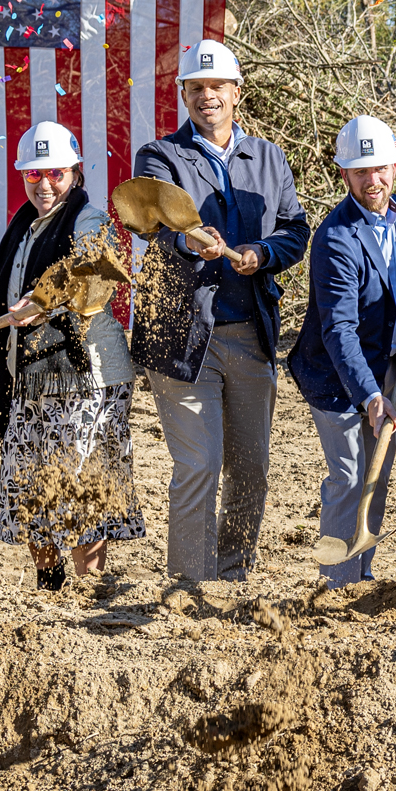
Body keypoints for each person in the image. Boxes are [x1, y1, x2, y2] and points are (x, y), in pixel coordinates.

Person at [131, 38, 311, 582]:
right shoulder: (160, 157)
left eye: (217, 87)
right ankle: (190, 585)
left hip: (251, 333)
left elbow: (295, 230)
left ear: (237, 91)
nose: (208, 96)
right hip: (185, 337)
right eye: (196, 88)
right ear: (183, 94)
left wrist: (263, 253)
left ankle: (231, 577)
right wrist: (188, 244)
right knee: (199, 465)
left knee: (251, 468)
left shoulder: (269, 157)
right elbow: (150, 225)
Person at [0, 122, 143, 590]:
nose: (44, 184)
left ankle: (89, 588)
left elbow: (94, 270)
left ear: (74, 171)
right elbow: (7, 295)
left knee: (80, 483)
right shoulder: (22, 225)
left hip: (84, 376)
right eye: (33, 175)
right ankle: (48, 585)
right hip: (29, 377)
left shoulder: (87, 219)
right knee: (27, 480)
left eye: (54, 173)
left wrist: (46, 298)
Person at [287, 116, 396, 585]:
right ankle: (339, 585)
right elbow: (339, 330)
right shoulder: (335, 238)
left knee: (378, 470)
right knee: (350, 476)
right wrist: (370, 397)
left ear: (395, 164)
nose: (373, 181)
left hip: (384, 361)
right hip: (335, 376)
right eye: (360, 172)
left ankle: (362, 574)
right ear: (344, 174)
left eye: (380, 168)